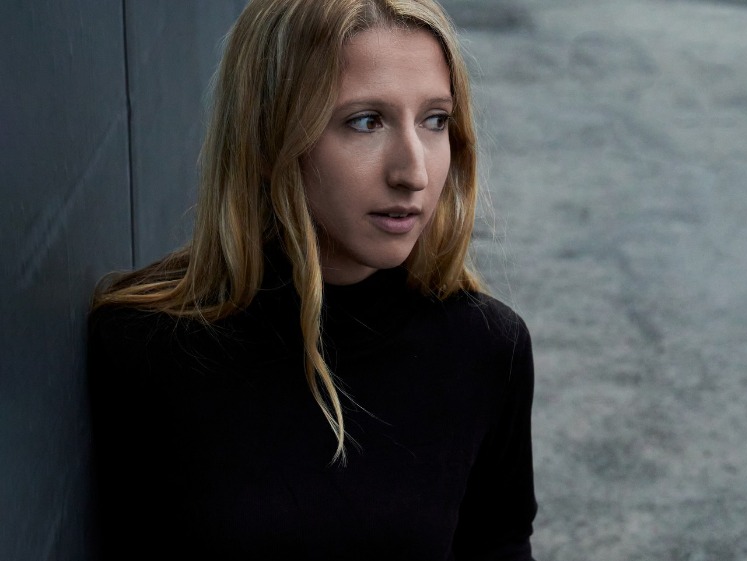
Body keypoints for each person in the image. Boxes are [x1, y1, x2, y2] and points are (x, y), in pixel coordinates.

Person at [88, 0, 537, 559]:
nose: (414, 172)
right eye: (366, 121)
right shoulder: (145, 346)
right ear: (268, 136)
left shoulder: (486, 349)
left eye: (435, 120)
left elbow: (499, 545)